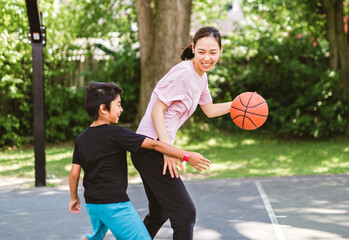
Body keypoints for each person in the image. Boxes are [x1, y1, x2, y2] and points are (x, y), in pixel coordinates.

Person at [68, 81, 211, 240]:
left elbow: (74, 173)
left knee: (95, 236)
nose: (121, 109)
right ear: (103, 108)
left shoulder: (81, 138)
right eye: (118, 104)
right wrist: (185, 155)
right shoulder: (117, 133)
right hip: (115, 205)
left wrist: (74, 198)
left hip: (92, 204)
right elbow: (155, 144)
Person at [131, 26, 233, 240]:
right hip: (152, 149)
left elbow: (210, 109)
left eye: (213, 52)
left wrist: (238, 104)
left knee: (160, 213)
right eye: (202, 51)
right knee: (186, 214)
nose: (207, 57)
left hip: (153, 148)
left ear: (220, 50)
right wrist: (169, 150)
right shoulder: (183, 73)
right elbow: (157, 111)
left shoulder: (200, 77)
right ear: (194, 49)